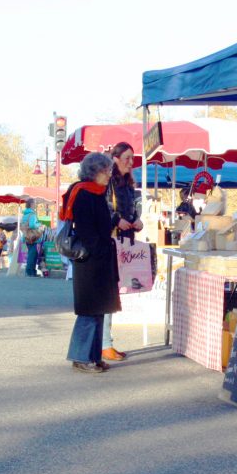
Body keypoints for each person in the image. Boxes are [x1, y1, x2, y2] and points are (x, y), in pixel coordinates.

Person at [63, 152, 121, 374]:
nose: (109, 175)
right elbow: (87, 230)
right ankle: (81, 357)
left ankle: (93, 356)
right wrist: (99, 250)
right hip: (90, 260)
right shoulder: (84, 194)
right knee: (89, 311)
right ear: (94, 171)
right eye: (106, 171)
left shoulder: (96, 193)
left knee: (99, 310)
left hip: (99, 258)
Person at [100, 142, 143, 362]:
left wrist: (136, 220)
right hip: (111, 241)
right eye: (126, 157)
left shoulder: (127, 183)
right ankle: (104, 343)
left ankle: (106, 342)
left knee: (113, 293)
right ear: (115, 158)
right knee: (108, 294)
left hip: (123, 241)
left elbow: (134, 206)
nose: (130, 162)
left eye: (132, 158)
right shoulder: (107, 180)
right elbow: (105, 207)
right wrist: (118, 220)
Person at [22, 200, 42, 277]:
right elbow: (33, 225)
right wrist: (40, 224)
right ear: (31, 204)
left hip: (27, 236)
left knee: (31, 253)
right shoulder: (32, 214)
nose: (35, 205)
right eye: (34, 203)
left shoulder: (25, 214)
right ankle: (30, 271)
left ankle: (31, 270)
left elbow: (23, 225)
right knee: (33, 254)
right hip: (33, 236)